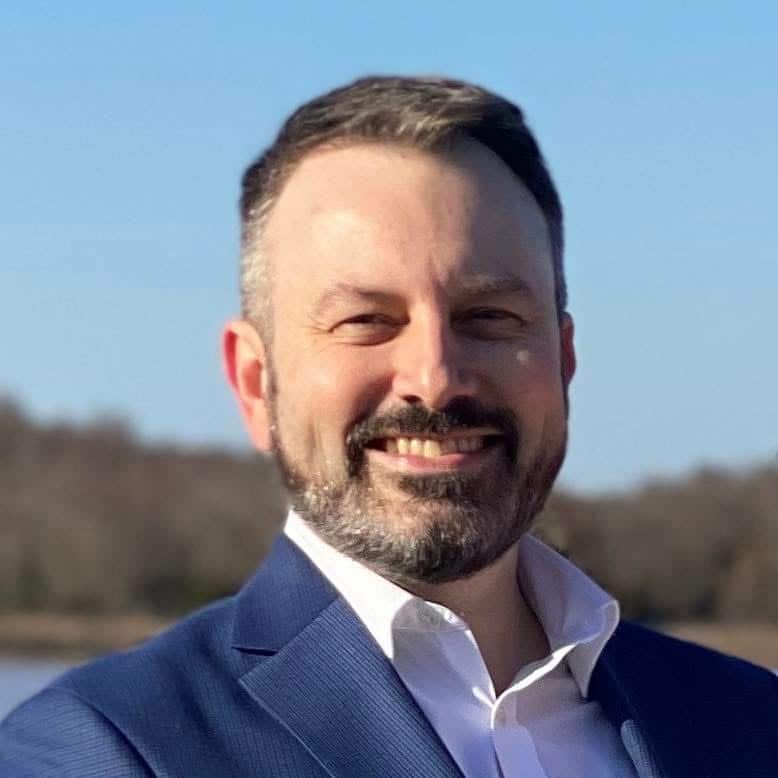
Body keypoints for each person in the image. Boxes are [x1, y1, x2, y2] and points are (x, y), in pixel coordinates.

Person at [1, 76, 775, 778]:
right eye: (366, 320)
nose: (435, 375)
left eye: (490, 316)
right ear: (253, 381)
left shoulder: (750, 722)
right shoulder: (103, 750)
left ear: (563, 359)